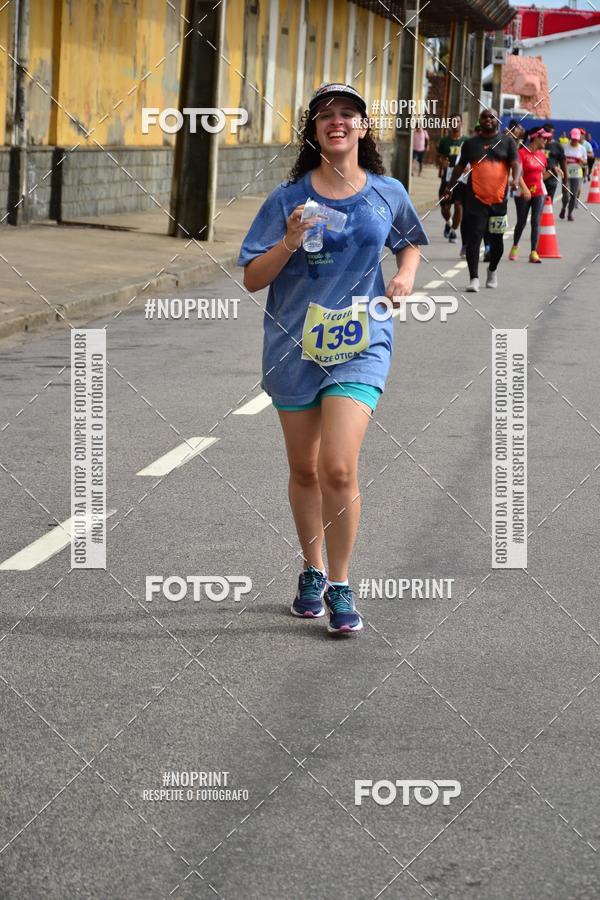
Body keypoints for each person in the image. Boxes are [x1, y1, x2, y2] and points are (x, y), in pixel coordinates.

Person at [237, 82, 428, 636]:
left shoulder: (387, 191)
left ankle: (341, 583)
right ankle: (311, 569)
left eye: (348, 114)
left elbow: (409, 239)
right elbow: (252, 278)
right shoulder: (286, 199)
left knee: (338, 467)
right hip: (293, 347)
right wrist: (289, 240)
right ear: (314, 130)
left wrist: (406, 275)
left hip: (361, 343)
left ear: (364, 128)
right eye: (326, 115)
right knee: (304, 469)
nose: (337, 122)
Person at [446, 107, 520, 292]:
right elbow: (459, 167)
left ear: (498, 121)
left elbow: (515, 164)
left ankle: (492, 269)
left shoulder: (507, 142)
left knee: (497, 242)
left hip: (498, 201)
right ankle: (474, 278)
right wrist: (449, 187)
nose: (488, 119)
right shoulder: (471, 144)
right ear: (480, 120)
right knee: (474, 238)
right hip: (475, 200)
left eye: (492, 117)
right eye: (485, 117)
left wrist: (516, 179)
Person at [508, 127, 552, 263]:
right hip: (523, 192)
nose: (546, 140)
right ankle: (515, 246)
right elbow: (517, 174)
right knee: (521, 222)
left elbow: (541, 176)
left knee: (535, 222)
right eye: (543, 137)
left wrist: (553, 173)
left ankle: (534, 252)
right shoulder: (521, 153)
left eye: (546, 138)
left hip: (539, 192)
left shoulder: (542, 155)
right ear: (535, 137)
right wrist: (525, 189)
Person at [437, 113, 466, 244]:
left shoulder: (466, 141)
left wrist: (468, 167)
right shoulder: (445, 141)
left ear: (461, 123)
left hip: (460, 179)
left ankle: (454, 231)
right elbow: (441, 156)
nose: (456, 124)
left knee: (459, 206)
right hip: (447, 178)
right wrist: (442, 163)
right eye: (453, 121)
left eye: (458, 121)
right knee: (445, 207)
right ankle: (449, 223)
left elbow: (472, 159)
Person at [560, 128, 587, 221]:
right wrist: (564, 161)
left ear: (579, 138)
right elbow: (560, 160)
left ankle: (570, 213)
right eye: (573, 138)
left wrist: (582, 161)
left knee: (573, 194)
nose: (575, 140)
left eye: (576, 139)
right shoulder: (564, 147)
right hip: (566, 173)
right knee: (565, 194)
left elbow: (585, 162)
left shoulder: (582, 148)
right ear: (570, 136)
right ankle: (563, 208)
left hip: (577, 174)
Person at [542, 123, 567, 202]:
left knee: (548, 203)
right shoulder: (538, 144)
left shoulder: (558, 146)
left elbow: (563, 166)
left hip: (552, 179)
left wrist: (564, 184)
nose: (549, 135)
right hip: (538, 178)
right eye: (547, 132)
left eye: (551, 133)